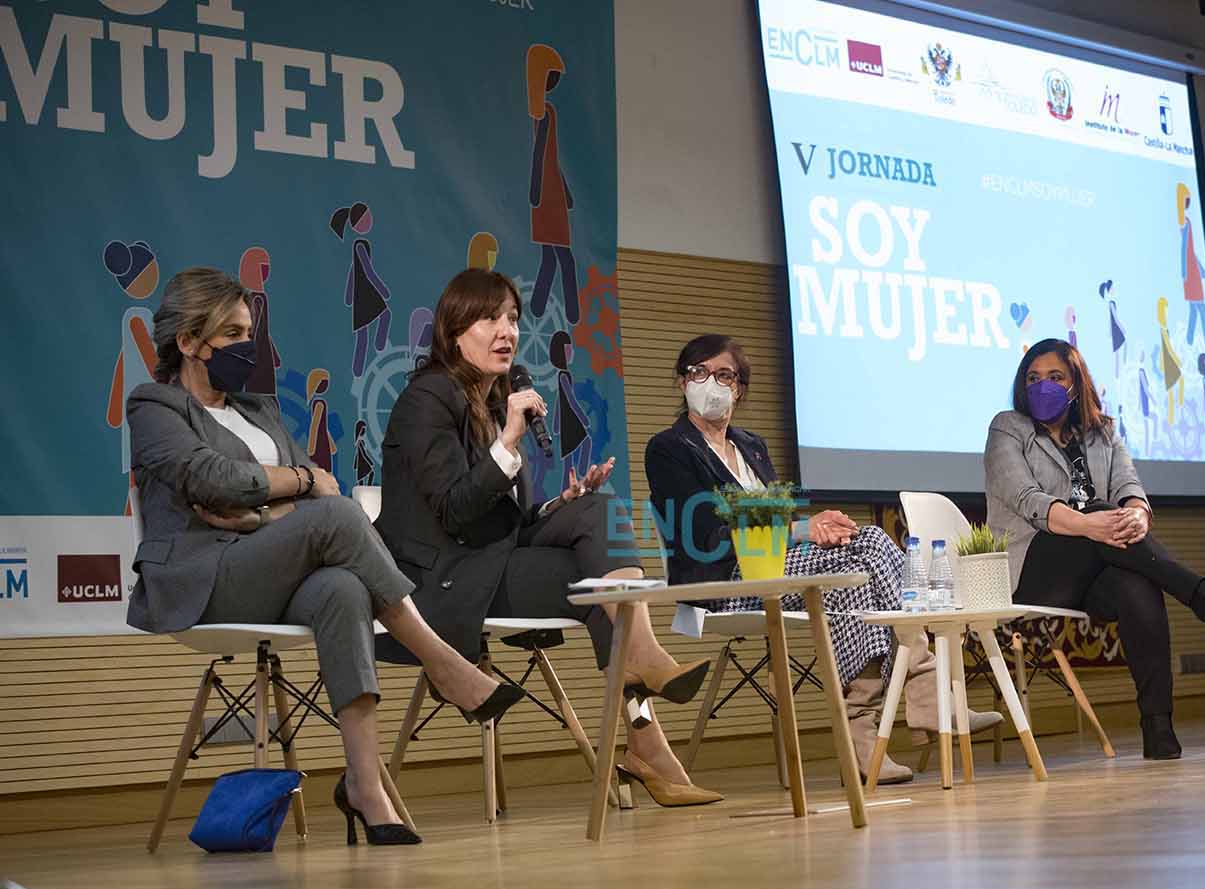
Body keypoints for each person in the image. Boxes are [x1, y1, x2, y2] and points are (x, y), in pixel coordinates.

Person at [127, 267, 523, 847]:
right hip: (203, 579)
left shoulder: (259, 410)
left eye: (249, 334)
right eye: (232, 334)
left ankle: (365, 786)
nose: (246, 346)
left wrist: (260, 512)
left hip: (265, 565)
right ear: (188, 341)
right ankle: (441, 661)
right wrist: (297, 483)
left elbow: (320, 487)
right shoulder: (155, 406)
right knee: (338, 519)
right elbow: (210, 478)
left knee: (342, 586)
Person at [376, 268, 721, 806]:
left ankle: (646, 701)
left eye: (513, 318)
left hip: (488, 561)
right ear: (454, 330)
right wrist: (510, 441)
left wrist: (561, 505)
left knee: (598, 511)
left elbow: (506, 522)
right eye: (489, 319)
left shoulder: (493, 403)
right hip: (441, 581)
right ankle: (648, 730)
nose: (507, 331)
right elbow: (455, 512)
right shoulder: (427, 400)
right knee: (600, 587)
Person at [645, 335, 1002, 786]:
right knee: (847, 568)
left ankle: (883, 718)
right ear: (683, 382)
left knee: (866, 542)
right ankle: (917, 697)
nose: (710, 383)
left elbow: (777, 521)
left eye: (724, 375)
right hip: (724, 580)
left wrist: (817, 529)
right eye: (699, 372)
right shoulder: (669, 448)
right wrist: (801, 531)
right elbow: (705, 535)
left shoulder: (751, 445)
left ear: (739, 388)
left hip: (781, 568)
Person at [984, 338, 1205, 759]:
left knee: (1137, 585)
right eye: (1033, 378)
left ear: (1075, 383)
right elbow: (1026, 498)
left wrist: (1138, 516)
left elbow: (1130, 488)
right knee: (1098, 511)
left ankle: (1158, 726)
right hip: (1032, 568)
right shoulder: (1007, 428)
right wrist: (1088, 523)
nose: (1043, 386)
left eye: (1055, 377)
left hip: (1093, 565)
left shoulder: (1103, 433)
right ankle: (1202, 595)